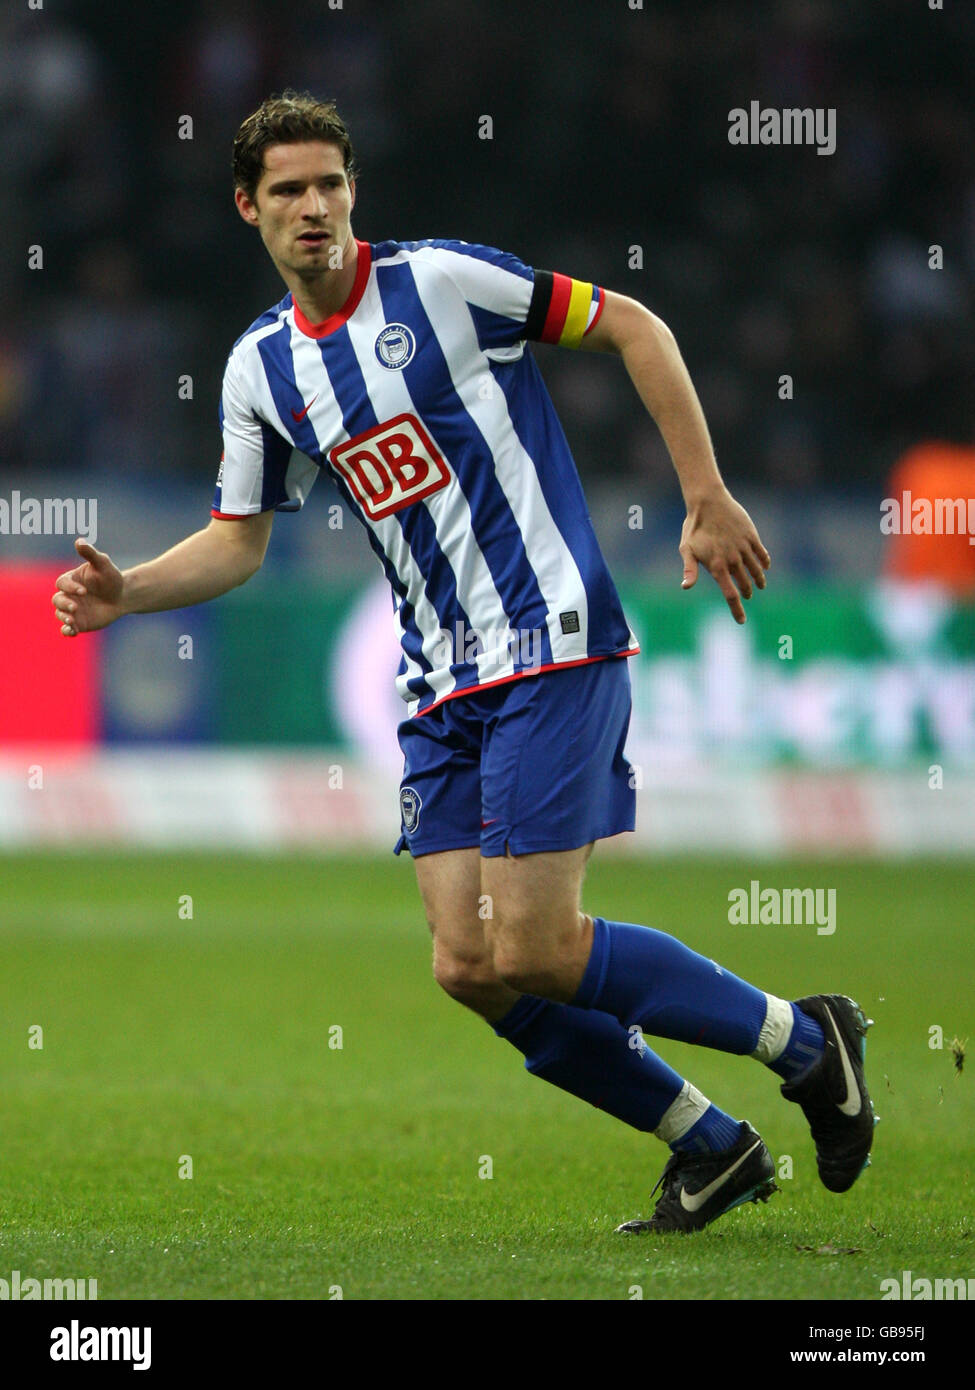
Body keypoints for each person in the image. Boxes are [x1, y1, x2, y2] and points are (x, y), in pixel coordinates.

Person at [52, 92, 875, 1232]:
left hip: (551, 639)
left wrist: (706, 493)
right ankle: (712, 1142)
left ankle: (804, 1037)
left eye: (330, 183)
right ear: (247, 206)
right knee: (470, 963)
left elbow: (636, 324)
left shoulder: (443, 284)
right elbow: (241, 540)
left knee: (537, 945)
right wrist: (129, 591)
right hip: (440, 681)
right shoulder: (260, 370)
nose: (314, 208)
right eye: (287, 190)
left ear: (354, 193)